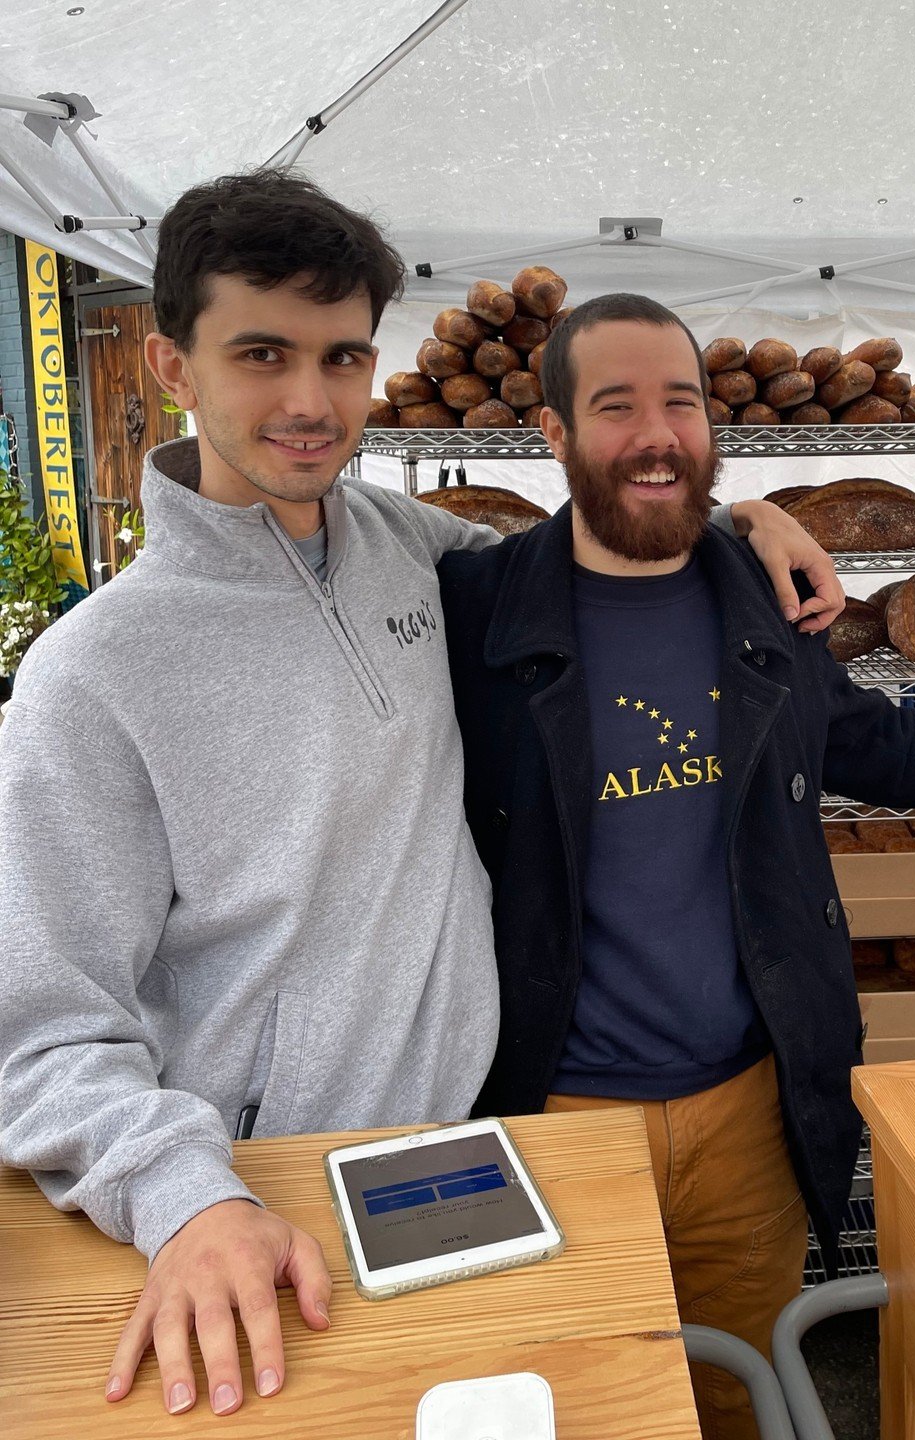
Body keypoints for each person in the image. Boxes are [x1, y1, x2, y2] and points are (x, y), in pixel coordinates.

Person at [0, 173, 843, 1421]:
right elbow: (43, 1030)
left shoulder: (416, 551)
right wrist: (188, 1198)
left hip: (479, 1149)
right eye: (261, 354)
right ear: (174, 367)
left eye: (342, 359)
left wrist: (748, 522)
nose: (309, 401)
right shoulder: (96, 673)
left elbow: (607, 551)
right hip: (266, 1193)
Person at [436, 293, 915, 1440]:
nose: (657, 434)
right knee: (576, 1396)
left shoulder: (753, 591)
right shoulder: (473, 611)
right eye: (616, 407)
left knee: (739, 1390)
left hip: (746, 1104)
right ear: (552, 435)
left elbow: (862, 740)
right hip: (554, 1112)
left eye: (682, 404)